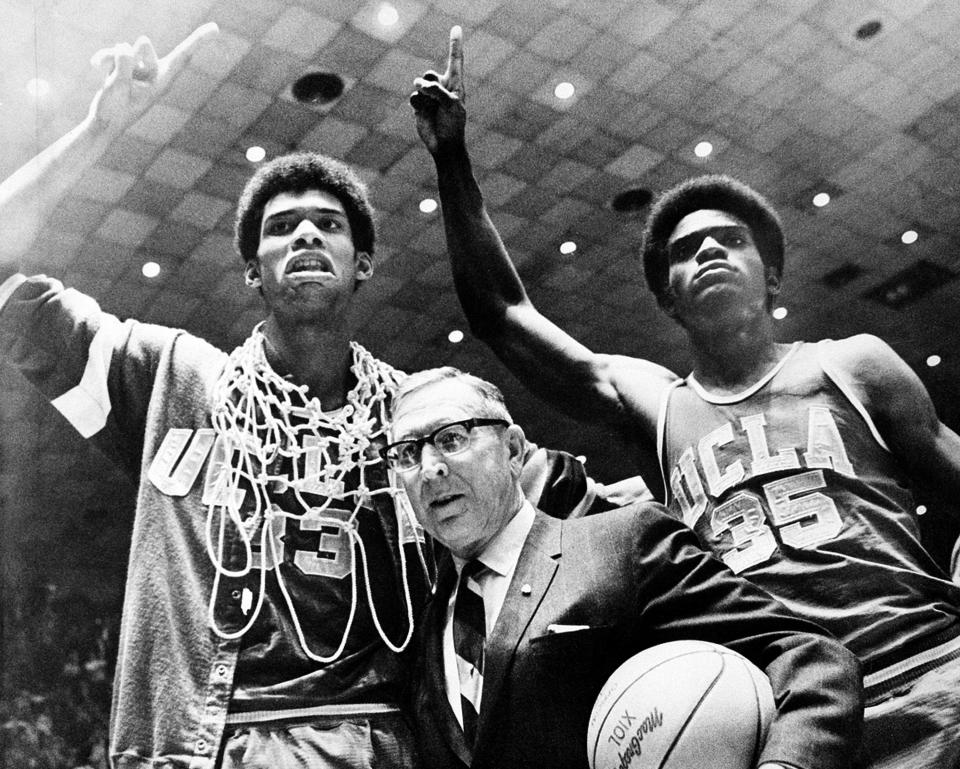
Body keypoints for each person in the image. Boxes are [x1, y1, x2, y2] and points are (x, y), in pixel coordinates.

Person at [0, 23, 609, 769]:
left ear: (364, 265)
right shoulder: (173, 380)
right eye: (281, 228)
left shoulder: (420, 413)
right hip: (217, 742)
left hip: (391, 740)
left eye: (329, 225)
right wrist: (101, 129)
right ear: (254, 271)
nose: (307, 237)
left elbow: (574, 504)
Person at [410, 26, 960, 769]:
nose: (705, 252)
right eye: (682, 251)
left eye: (728, 240)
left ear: (770, 276)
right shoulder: (655, 403)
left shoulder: (854, 365)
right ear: (667, 300)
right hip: (786, 713)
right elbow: (503, 316)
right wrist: (451, 159)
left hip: (929, 672)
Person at [385, 366, 863, 769]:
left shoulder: (624, 541)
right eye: (407, 453)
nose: (430, 468)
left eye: (451, 439)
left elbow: (807, 655)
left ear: (512, 449)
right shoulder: (423, 628)